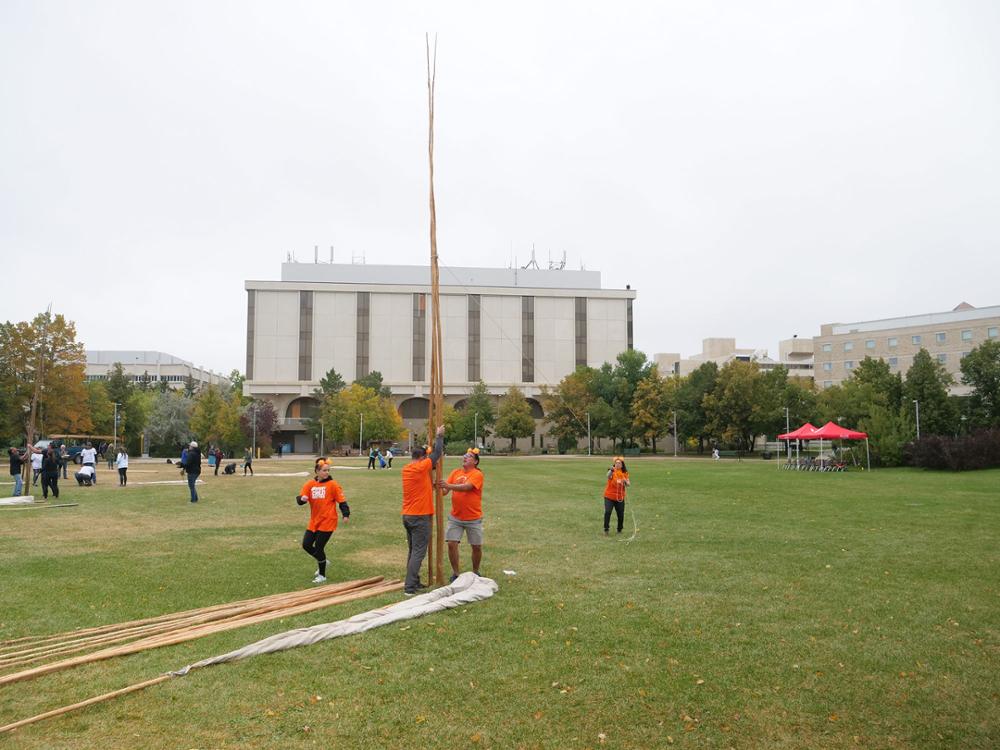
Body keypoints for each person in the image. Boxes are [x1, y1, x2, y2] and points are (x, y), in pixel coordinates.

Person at [400, 425, 445, 595]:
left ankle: (415, 581)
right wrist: (439, 436)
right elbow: (436, 454)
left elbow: (430, 462)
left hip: (408, 515)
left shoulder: (408, 469)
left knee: (413, 551)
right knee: (419, 551)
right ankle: (409, 587)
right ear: (422, 458)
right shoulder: (421, 467)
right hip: (420, 515)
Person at [297, 459, 350, 583]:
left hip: (328, 521)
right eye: (324, 470)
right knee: (306, 545)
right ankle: (323, 561)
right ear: (317, 471)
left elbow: (342, 501)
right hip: (314, 521)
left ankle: (322, 575)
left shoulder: (333, 485)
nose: (326, 473)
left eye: (328, 470)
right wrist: (302, 499)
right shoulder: (310, 484)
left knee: (319, 548)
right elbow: (299, 500)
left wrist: (345, 514)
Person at [438, 447, 485, 581]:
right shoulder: (456, 472)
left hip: (473, 518)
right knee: (451, 544)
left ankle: (475, 572)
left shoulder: (477, 474)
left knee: (476, 546)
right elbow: (444, 491)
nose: (465, 457)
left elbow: (467, 487)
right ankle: (456, 573)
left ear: (475, 462)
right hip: (455, 517)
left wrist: (448, 485)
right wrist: (438, 487)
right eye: (464, 455)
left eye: (469, 456)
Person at [603, 457, 630, 536]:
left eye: (619, 463)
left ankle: (619, 529)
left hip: (620, 497)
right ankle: (606, 529)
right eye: (616, 463)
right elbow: (608, 476)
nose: (617, 464)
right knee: (608, 512)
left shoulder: (625, 473)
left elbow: (628, 484)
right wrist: (611, 470)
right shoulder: (612, 471)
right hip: (609, 496)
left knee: (620, 514)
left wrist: (625, 481)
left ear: (622, 465)